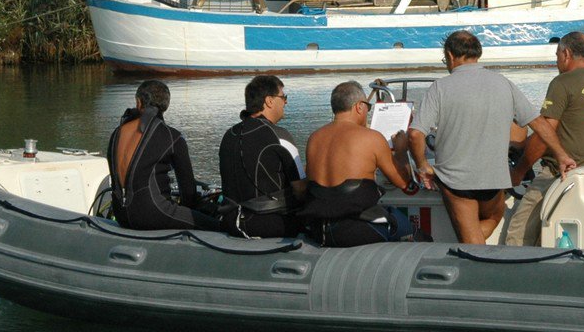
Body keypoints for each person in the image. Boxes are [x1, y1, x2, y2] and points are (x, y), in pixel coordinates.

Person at [408, 30, 576, 245]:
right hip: (494, 179)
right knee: (494, 216)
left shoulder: (440, 87)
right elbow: (538, 123)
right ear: (478, 54)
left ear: (450, 56)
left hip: (456, 181)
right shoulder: (503, 83)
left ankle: (448, 250)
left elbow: (415, 133)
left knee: (471, 243)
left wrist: (423, 166)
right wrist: (562, 155)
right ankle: (464, 246)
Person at [504, 31, 584, 245]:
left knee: (518, 232)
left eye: (557, 55)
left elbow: (545, 134)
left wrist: (517, 172)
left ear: (566, 53)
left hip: (559, 173)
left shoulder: (563, 81)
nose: (556, 61)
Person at [301, 81, 417, 246]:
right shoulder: (372, 137)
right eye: (368, 108)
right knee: (415, 232)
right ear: (359, 107)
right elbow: (404, 184)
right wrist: (401, 152)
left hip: (319, 229)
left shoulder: (314, 138)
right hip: (357, 229)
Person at [105, 79, 215, 230]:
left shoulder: (117, 133)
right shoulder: (172, 136)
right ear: (166, 106)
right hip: (153, 214)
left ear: (138, 102)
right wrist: (190, 211)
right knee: (215, 224)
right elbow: (187, 188)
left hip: (121, 215)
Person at [218, 74, 306, 238]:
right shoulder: (280, 136)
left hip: (229, 221)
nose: (286, 102)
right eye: (283, 97)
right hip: (267, 224)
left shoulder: (228, 135)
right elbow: (300, 191)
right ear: (269, 101)